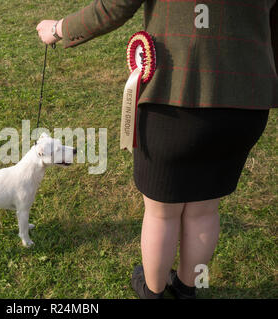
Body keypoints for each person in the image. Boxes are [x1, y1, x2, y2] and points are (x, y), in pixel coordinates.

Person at [37, 0, 277, 299]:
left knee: (162, 214)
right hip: (246, 103)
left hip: (174, 96)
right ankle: (187, 290)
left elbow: (115, 6)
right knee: (205, 210)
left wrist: (58, 29)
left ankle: (153, 293)